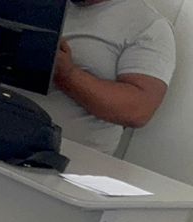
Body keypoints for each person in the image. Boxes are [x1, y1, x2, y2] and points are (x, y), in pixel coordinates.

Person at [38, 0, 176, 154]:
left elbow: (138, 110)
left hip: (71, 159)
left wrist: (67, 75)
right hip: (17, 140)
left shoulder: (148, 26)